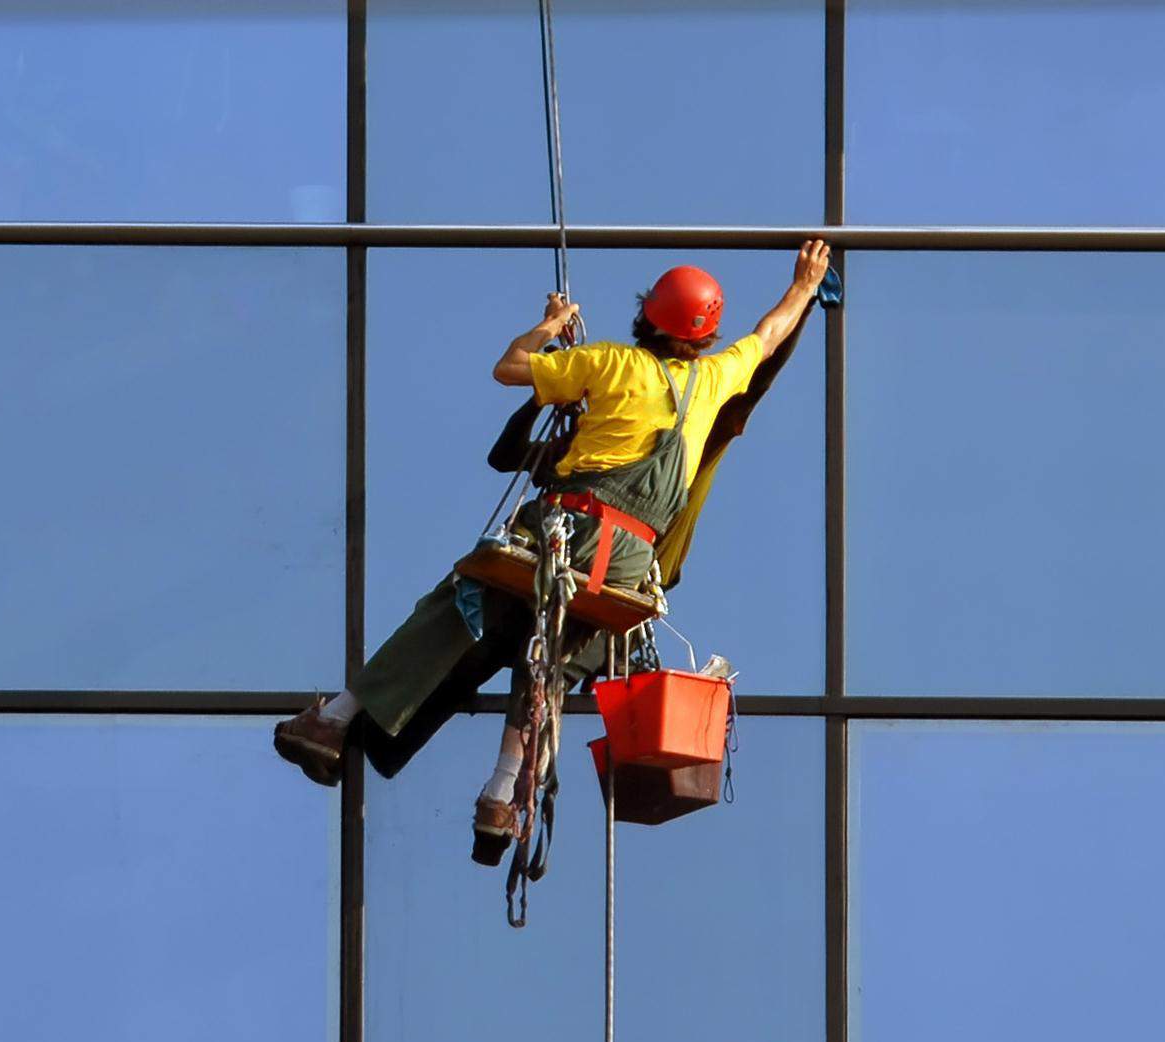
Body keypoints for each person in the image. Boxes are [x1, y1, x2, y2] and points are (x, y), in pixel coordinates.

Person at [274, 238, 832, 861]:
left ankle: (336, 720)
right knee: (552, 662)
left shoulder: (610, 364)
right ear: (703, 336)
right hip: (627, 563)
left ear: (647, 317)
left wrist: (548, 327)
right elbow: (770, 333)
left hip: (569, 527)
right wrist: (805, 284)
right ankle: (501, 793)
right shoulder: (715, 378)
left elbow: (509, 369)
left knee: (458, 608)